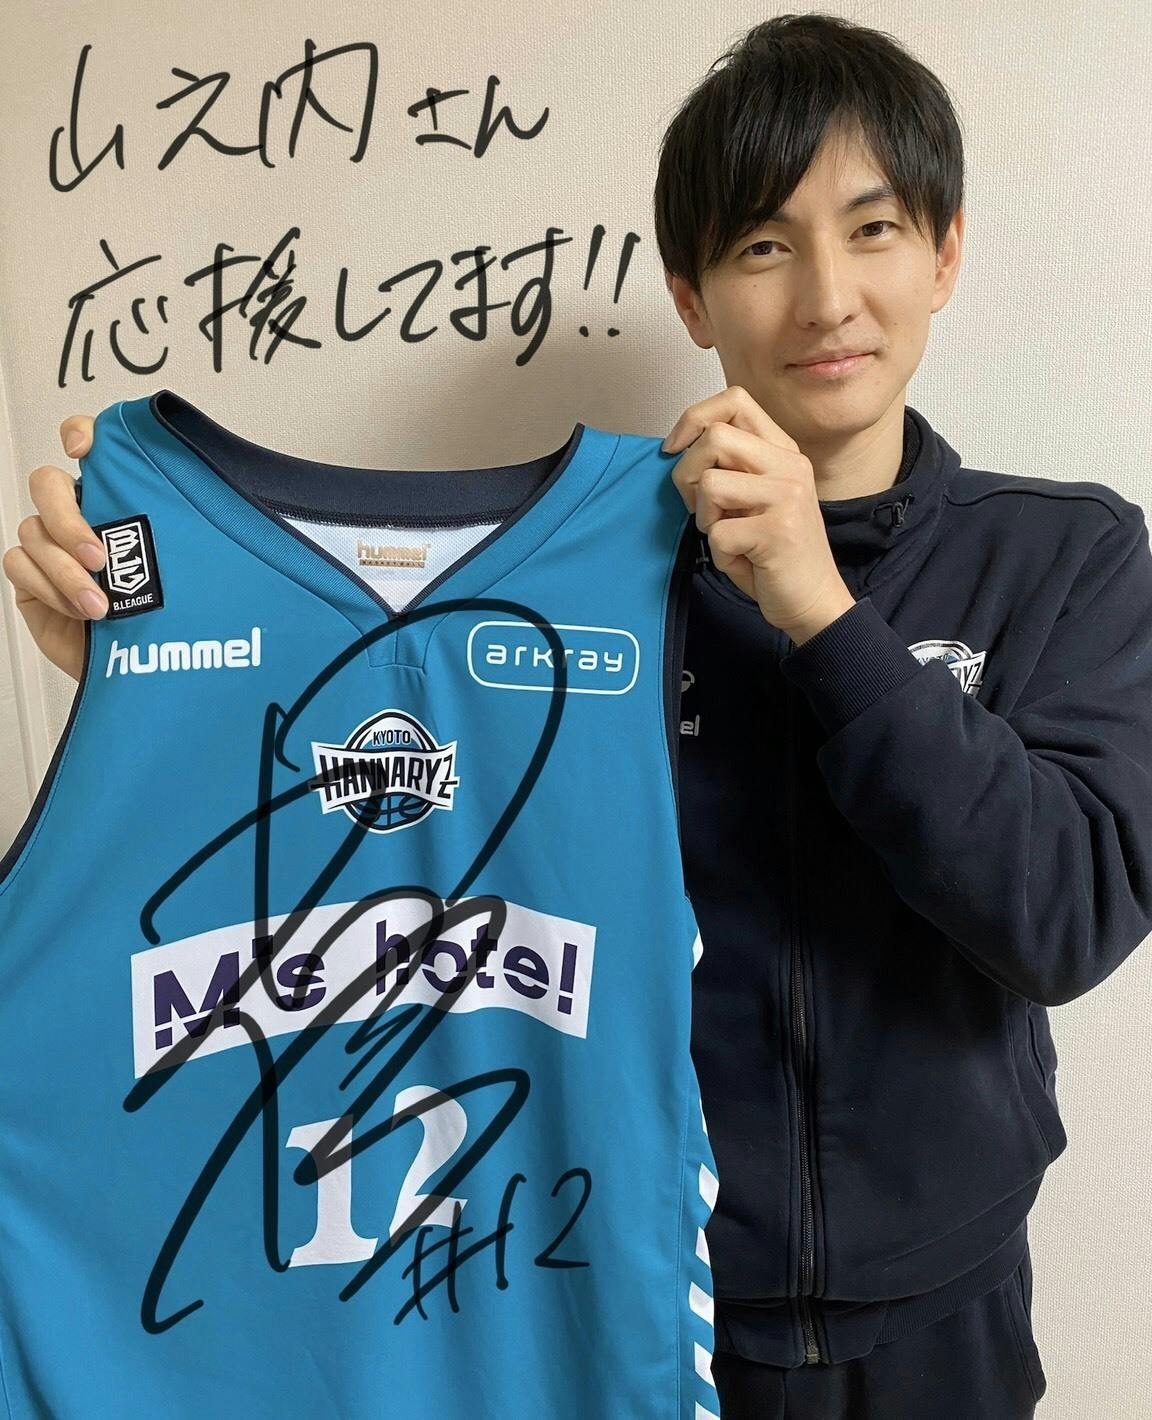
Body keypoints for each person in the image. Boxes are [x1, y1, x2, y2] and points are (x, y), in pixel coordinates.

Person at [6, 13, 1152, 1419]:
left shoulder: (1066, 553)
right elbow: (381, 844)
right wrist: (141, 686)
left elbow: (1065, 916)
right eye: (763, 246)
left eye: (873, 232)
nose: (827, 299)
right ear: (691, 295)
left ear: (946, 254)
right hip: (639, 1304)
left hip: (946, 1312)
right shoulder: (591, 574)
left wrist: (825, 616)